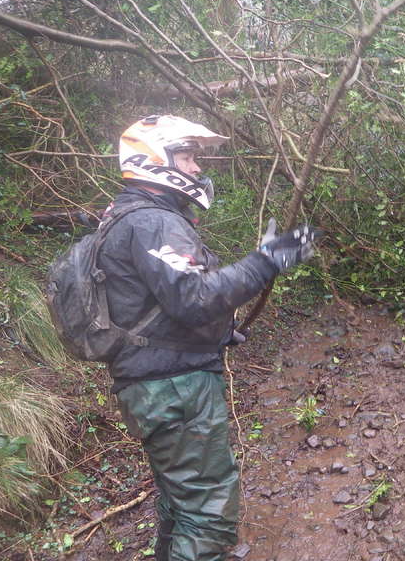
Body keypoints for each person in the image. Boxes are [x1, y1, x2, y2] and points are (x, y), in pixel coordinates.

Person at [98, 114, 317, 560]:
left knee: (181, 505)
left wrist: (215, 335)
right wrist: (265, 262)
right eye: (186, 156)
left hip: (157, 382)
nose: (196, 168)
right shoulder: (153, 222)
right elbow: (193, 299)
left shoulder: (127, 217)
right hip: (174, 388)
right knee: (207, 513)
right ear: (154, 159)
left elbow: (158, 307)